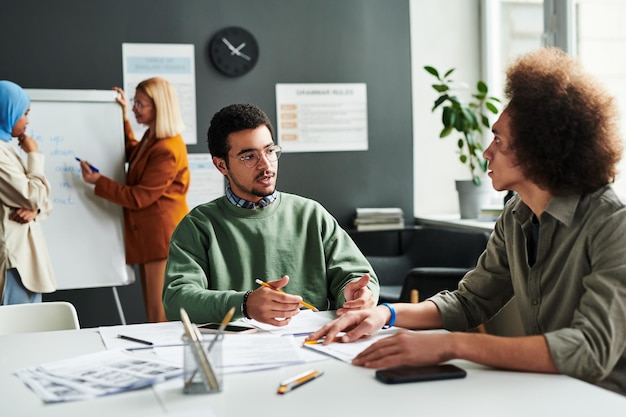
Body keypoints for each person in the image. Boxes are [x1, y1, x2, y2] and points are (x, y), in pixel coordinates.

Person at [307, 47, 626, 395]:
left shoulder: (613, 225)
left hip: (605, 399)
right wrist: (385, 315)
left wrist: (453, 345)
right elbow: (470, 301)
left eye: (499, 140)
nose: (487, 152)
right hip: (549, 391)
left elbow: (591, 350)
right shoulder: (516, 217)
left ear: (538, 152)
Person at [162, 103, 379, 326]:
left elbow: (358, 277)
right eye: (249, 157)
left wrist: (356, 295)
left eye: (270, 151)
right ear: (221, 166)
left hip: (313, 345)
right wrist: (244, 304)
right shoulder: (199, 225)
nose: (265, 165)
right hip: (233, 352)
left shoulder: (311, 215)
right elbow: (176, 299)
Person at [79, 77, 189, 323]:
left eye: (140, 104)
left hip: (161, 240)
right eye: (133, 102)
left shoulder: (167, 148)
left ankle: (167, 361)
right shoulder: (154, 138)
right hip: (151, 239)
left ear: (159, 106)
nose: (135, 108)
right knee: (154, 312)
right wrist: (123, 119)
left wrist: (98, 181)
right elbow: (134, 152)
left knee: (158, 315)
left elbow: (139, 197)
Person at [0, 80, 56, 304]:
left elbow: (42, 202)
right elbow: (34, 195)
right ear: (7, 110)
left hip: (25, 262)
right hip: (14, 261)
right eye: (24, 113)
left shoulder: (7, 149)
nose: (27, 120)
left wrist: (36, 210)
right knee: (14, 336)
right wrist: (34, 155)